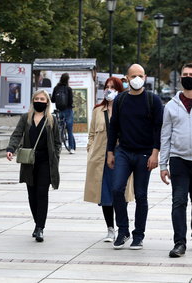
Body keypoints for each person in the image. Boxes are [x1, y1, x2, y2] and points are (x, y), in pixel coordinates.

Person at [107, 64, 163, 250]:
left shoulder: (152, 100)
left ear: (145, 77)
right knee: (116, 189)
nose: (137, 79)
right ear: (127, 78)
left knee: (140, 195)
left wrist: (155, 152)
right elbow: (113, 127)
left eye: (140, 75)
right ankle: (123, 231)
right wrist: (110, 152)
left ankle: (138, 235)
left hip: (144, 153)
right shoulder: (120, 99)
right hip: (123, 151)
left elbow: (158, 129)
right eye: (133, 76)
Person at [6, 90, 61, 242]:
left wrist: (55, 157)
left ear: (47, 102)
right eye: (36, 98)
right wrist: (11, 149)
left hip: (46, 162)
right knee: (32, 195)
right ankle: (37, 222)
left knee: (42, 193)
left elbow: (57, 142)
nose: (39, 101)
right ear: (32, 101)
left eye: (42, 99)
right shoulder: (26, 118)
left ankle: (40, 227)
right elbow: (17, 134)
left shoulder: (52, 120)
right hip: (29, 162)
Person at [84, 77, 134, 242]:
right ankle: (110, 229)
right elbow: (91, 134)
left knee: (121, 193)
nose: (109, 90)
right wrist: (90, 149)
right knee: (104, 194)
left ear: (120, 90)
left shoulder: (126, 108)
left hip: (122, 157)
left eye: (113, 87)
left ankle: (122, 227)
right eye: (107, 87)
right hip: (101, 159)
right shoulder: (98, 110)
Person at [160, 63, 192, 258]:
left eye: (191, 74)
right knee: (178, 202)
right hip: (178, 160)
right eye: (185, 74)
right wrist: (163, 164)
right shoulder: (171, 105)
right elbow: (165, 136)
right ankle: (179, 242)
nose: (188, 77)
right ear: (180, 77)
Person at [51, 73, 76, 153]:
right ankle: (71, 148)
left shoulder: (56, 88)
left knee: (58, 129)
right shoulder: (68, 89)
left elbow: (52, 100)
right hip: (68, 111)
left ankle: (57, 147)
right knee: (69, 130)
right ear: (67, 80)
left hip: (59, 111)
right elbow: (70, 101)